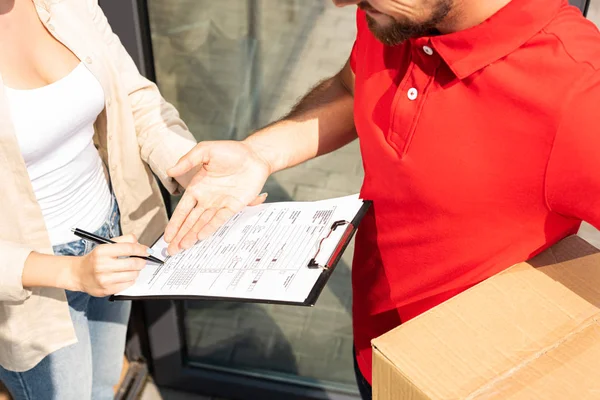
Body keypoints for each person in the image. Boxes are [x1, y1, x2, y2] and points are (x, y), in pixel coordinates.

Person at [163, 0, 600, 399]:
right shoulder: (393, 15)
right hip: (377, 350)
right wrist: (260, 153)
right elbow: (351, 86)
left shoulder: (579, 90)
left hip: (473, 378)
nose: (341, 3)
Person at [0, 0, 219, 398]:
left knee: (103, 385)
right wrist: (73, 273)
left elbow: (132, 97)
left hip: (112, 237)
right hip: (34, 281)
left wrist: (191, 169)